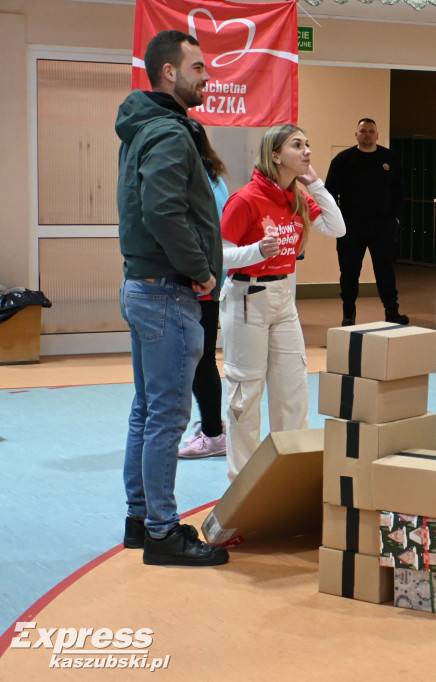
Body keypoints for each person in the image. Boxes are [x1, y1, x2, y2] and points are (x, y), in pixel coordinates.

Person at [115, 29, 228, 566]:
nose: (207, 77)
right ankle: (161, 531)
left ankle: (141, 519)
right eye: (199, 68)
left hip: (146, 288)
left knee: (147, 412)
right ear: (170, 73)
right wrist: (201, 271)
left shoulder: (145, 128)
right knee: (165, 417)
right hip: (166, 292)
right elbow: (162, 211)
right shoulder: (170, 133)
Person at [220, 124, 346, 480]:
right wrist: (255, 251)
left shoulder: (296, 197)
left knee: (293, 392)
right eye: (297, 145)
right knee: (245, 396)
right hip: (247, 298)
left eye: (308, 144)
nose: (306, 151)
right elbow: (218, 254)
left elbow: (338, 228)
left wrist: (316, 185)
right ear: (275, 155)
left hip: (283, 299)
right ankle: (241, 486)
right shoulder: (246, 199)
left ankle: (288, 478)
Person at [324, 117, 408, 326]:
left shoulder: (389, 159)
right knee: (349, 271)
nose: (367, 134)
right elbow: (329, 193)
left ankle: (392, 312)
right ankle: (349, 314)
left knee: (385, 270)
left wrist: (396, 217)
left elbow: (400, 191)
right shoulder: (343, 160)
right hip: (351, 226)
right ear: (356, 134)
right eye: (363, 131)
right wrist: (337, 219)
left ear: (377, 135)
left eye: (371, 131)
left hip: (383, 226)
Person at [178, 124, 230, 459]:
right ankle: (213, 426)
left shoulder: (199, 182)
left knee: (201, 361)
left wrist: (199, 273)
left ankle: (212, 432)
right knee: (203, 358)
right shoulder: (215, 177)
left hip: (202, 280)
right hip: (210, 276)